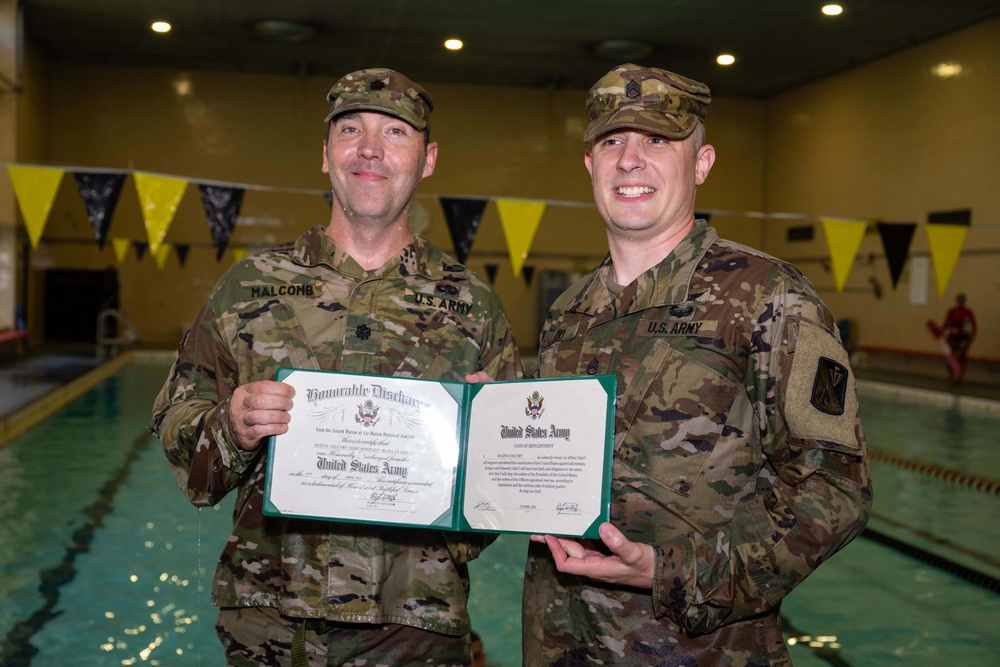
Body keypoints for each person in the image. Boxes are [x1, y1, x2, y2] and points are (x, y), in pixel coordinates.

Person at [149, 68, 521, 666]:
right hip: (268, 622)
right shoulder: (249, 288)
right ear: (326, 155)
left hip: (416, 628)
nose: (370, 148)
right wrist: (232, 426)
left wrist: (488, 449)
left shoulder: (472, 308)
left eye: (395, 132)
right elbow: (181, 444)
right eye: (351, 129)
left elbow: (507, 494)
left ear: (427, 160)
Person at [521, 64, 872, 666]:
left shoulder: (769, 295)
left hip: (701, 651)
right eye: (612, 141)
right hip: (561, 644)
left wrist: (677, 573)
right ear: (590, 165)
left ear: (702, 162)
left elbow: (835, 486)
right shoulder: (568, 312)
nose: (630, 160)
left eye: (657, 140)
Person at [941, 293, 977, 383]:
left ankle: (959, 377)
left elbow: (973, 325)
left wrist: (972, 338)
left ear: (964, 301)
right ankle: (952, 376)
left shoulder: (968, 312)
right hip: (953, 336)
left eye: (962, 300)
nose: (960, 302)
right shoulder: (952, 311)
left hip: (964, 337)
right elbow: (946, 323)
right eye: (959, 300)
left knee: (961, 357)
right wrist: (940, 332)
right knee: (951, 357)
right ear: (957, 300)